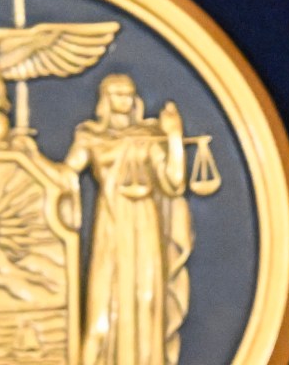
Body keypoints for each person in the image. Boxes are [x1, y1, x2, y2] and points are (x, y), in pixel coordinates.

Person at [63, 74, 196, 365]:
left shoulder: (149, 136)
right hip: (111, 221)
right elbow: (65, 173)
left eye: (128, 94)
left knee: (146, 298)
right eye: (117, 94)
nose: (124, 100)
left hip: (144, 221)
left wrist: (173, 136)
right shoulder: (90, 136)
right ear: (105, 99)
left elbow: (174, 182)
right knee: (101, 311)